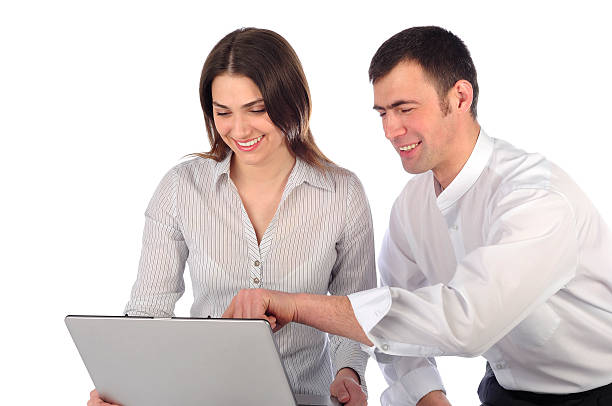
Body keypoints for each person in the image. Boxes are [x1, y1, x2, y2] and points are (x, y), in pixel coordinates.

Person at [223, 26, 612, 406]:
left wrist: (296, 306)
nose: (391, 130)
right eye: (382, 113)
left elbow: (466, 322)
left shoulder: (534, 198)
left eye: (404, 109)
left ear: (460, 97)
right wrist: (429, 396)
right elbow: (394, 319)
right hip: (503, 389)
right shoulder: (411, 207)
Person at [88, 27, 374, 406]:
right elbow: (148, 314)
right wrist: (125, 387)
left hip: (308, 398)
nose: (239, 130)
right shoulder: (180, 188)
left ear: (291, 100)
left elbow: (356, 314)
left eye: (256, 110)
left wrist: (348, 374)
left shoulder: (343, 193)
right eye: (223, 112)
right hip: (204, 396)